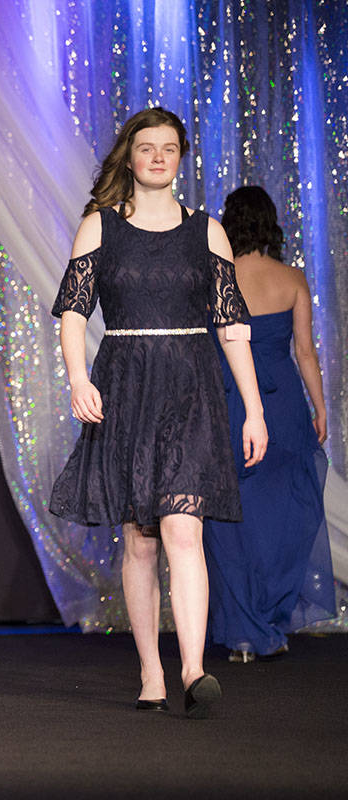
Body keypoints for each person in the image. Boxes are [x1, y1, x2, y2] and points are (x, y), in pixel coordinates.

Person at [48, 108, 267, 719]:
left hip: (191, 383)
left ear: (181, 156)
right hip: (126, 385)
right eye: (147, 147)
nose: (159, 157)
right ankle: (151, 668)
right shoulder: (100, 227)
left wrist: (253, 407)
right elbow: (72, 312)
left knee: (184, 528)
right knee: (141, 539)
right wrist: (75, 377)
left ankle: (194, 666)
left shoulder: (208, 230)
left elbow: (232, 327)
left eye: (170, 148)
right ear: (130, 155)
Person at [203, 186, 336, 662]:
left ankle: (243, 630)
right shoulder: (291, 278)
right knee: (286, 519)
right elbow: (305, 353)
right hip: (281, 411)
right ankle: (269, 623)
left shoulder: (214, 278)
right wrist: (321, 409)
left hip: (228, 404)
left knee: (227, 522)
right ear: (270, 224)